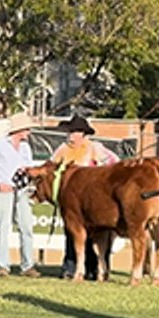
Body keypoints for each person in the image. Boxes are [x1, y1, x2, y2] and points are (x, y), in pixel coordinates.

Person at [49, 114, 119, 280]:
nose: (71, 135)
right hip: (70, 198)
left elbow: (113, 162)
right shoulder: (63, 149)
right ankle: (70, 267)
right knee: (71, 233)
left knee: (93, 235)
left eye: (75, 132)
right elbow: (51, 167)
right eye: (71, 131)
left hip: (90, 198)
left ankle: (92, 268)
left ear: (83, 134)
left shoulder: (94, 148)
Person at [0, 112, 40, 278]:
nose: (28, 132)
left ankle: (27, 265)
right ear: (19, 130)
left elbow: (28, 166)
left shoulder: (25, 148)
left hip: (21, 190)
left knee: (26, 227)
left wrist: (25, 171)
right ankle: (3, 265)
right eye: (27, 128)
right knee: (4, 227)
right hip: (5, 190)